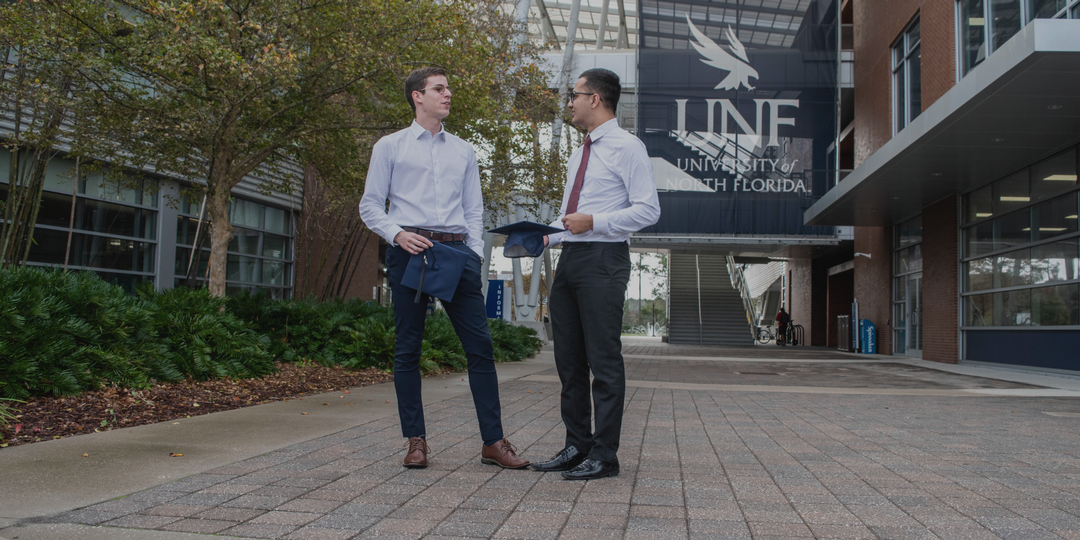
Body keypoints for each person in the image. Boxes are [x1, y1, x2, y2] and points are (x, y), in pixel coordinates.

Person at [357, 66, 528, 470]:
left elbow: (473, 209)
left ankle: (493, 441)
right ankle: (416, 441)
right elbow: (370, 205)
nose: (447, 94)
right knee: (407, 349)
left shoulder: (464, 150)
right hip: (410, 252)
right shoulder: (390, 146)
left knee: (480, 348)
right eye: (439, 88)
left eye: (448, 87)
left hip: (456, 255)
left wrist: (474, 255)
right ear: (418, 96)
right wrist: (397, 235)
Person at [529, 68, 661, 480]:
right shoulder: (579, 152)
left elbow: (648, 210)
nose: (570, 101)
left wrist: (596, 222)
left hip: (604, 260)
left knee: (603, 362)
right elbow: (572, 217)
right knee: (568, 361)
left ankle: (605, 455)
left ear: (596, 99)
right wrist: (544, 238)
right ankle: (576, 446)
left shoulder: (627, 147)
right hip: (570, 260)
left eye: (575, 94)